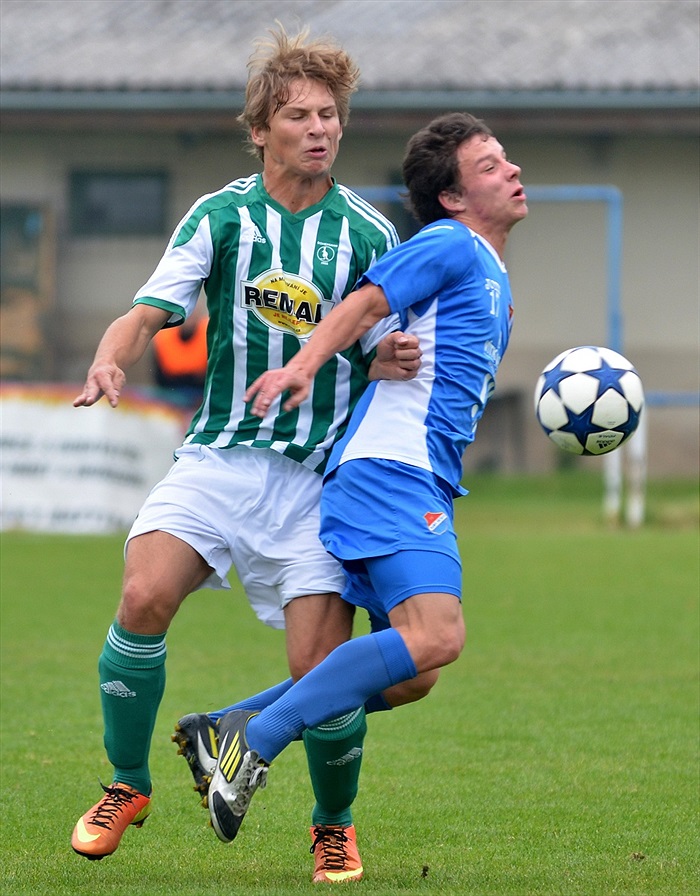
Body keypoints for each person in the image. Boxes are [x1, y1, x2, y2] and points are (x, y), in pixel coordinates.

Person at [70, 24, 432, 884]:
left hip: (319, 485)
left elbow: (395, 343)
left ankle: (332, 825)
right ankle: (127, 784)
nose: (320, 128)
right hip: (222, 458)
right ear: (261, 128)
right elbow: (150, 308)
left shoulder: (369, 235)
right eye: (300, 114)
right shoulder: (222, 215)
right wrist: (112, 352)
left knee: (321, 670)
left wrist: (391, 355)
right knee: (142, 593)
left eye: (331, 115)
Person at [202, 111, 529, 849]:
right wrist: (303, 364)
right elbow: (364, 302)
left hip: (415, 479)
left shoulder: (492, 272)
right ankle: (257, 741)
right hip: (389, 472)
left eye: (505, 160)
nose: (510, 171)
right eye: (488, 166)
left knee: (413, 673)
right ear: (451, 197)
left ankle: (230, 724)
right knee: (438, 636)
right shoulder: (451, 242)